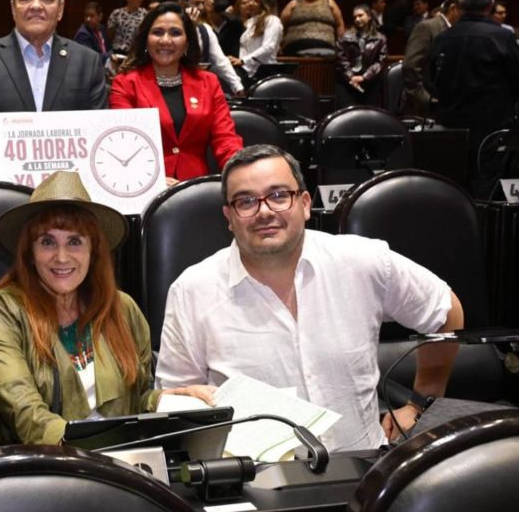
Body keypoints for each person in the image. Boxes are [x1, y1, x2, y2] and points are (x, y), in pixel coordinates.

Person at [156, 144, 464, 452]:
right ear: (229, 217)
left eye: (279, 195)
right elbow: (177, 399)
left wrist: (420, 404)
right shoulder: (192, 291)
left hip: (366, 464)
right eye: (246, 201)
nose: (264, 212)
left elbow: (445, 312)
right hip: (256, 475)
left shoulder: (363, 260)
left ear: (304, 204)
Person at [0, 171, 198, 453]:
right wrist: (92, 457)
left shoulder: (122, 309)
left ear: (93, 251)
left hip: (113, 459)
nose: (61, 257)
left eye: (75, 241)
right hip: (23, 463)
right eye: (47, 242)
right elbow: (26, 415)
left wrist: (169, 401)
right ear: (29, 253)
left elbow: (136, 400)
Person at [0, 0, 107, 184]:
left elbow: (97, 127)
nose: (36, 6)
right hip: (2, 190)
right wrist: (22, 162)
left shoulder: (87, 62)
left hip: (70, 191)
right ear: (13, 8)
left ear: (60, 9)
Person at [109, 2, 243, 184]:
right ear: (146, 39)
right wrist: (154, 181)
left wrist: (241, 174)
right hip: (144, 187)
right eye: (157, 32)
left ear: (187, 42)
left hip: (197, 187)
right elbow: (123, 144)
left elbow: (225, 139)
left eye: (175, 33)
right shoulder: (125, 83)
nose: (165, 40)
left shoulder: (208, 82)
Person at [429, 0, 519, 199]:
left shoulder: (443, 38)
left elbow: (432, 80)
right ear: (490, 4)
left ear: (463, 4)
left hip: (450, 128)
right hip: (492, 130)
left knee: (453, 188)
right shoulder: (502, 37)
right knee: (486, 191)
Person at [176, 0, 244, 96]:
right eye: (197, 3)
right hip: (175, 88)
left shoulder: (205, 29)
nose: (201, 8)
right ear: (182, 5)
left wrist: (238, 87)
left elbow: (220, 62)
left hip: (199, 89)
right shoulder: (170, 30)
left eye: (203, 3)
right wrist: (189, 29)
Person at [400, 0, 461, 117]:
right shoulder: (427, 27)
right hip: (425, 108)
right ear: (453, 9)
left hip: (449, 104)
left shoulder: (458, 30)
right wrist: (426, 100)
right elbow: (410, 67)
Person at [334, 4, 388, 108]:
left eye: (360, 15)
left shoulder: (380, 39)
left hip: (370, 82)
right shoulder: (344, 37)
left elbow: (381, 62)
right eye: (355, 17)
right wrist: (351, 77)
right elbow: (341, 59)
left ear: (369, 16)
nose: (357, 19)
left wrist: (364, 77)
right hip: (348, 82)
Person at [279, 0, 345, 56]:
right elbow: (280, 24)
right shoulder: (294, 3)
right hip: (294, 46)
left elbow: (339, 24)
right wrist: (279, 45)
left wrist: (341, 47)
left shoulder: (330, 2)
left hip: (325, 46)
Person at [229, 0, 283, 87]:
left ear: (264, 4)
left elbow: (268, 47)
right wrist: (235, 59)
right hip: (247, 69)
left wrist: (243, 60)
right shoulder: (250, 22)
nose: (250, 3)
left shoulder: (272, 20)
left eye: (256, 1)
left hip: (263, 71)